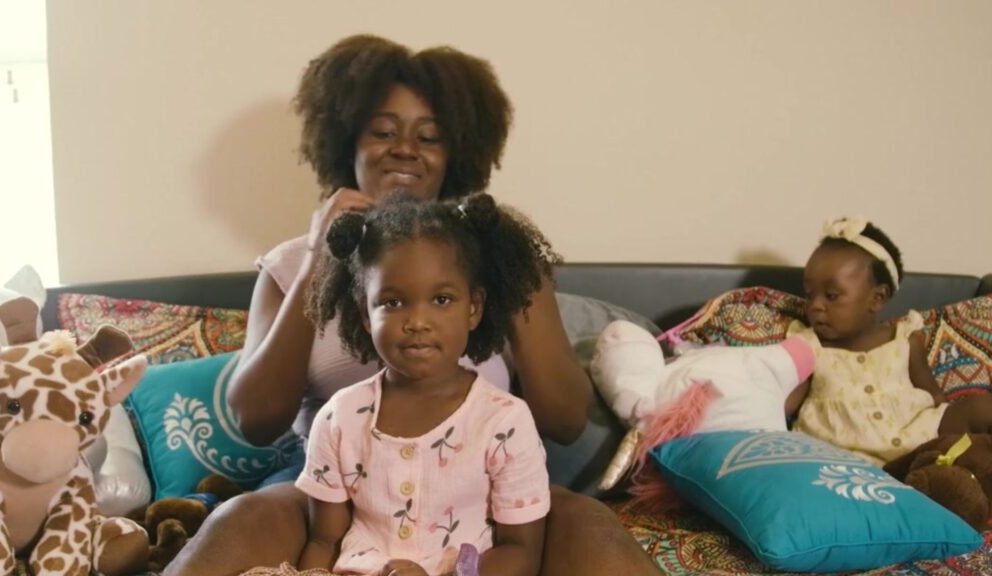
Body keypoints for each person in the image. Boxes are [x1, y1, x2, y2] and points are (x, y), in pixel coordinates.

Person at [164, 34, 662, 576]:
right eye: (382, 132)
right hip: (330, 496)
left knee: (597, 531)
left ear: (457, 156)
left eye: (430, 137)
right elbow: (255, 420)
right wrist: (316, 258)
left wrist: (504, 270)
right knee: (235, 523)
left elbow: (565, 421)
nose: (405, 148)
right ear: (346, 144)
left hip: (479, 498)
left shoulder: (497, 262)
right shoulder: (291, 266)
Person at [296, 192, 553, 575]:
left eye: (442, 299)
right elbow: (323, 541)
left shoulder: (504, 421)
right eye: (393, 303)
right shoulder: (339, 417)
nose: (418, 321)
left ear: (474, 308)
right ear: (366, 314)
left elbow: (521, 553)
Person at [790, 217, 992, 465]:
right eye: (810, 294)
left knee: (986, 408)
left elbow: (935, 398)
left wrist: (952, 427)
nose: (816, 306)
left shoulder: (904, 339)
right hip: (843, 457)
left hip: (917, 442)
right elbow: (781, 406)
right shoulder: (808, 347)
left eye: (831, 296)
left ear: (877, 298)